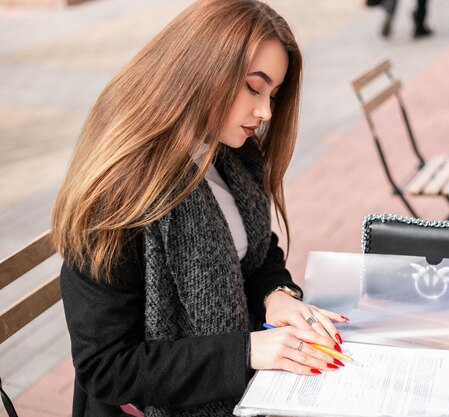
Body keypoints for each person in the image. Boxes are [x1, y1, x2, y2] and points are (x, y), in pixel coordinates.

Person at [51, 1, 348, 416]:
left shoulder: (228, 154)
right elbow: (106, 368)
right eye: (253, 87)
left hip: (245, 393)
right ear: (202, 69)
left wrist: (276, 296)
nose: (264, 113)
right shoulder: (119, 194)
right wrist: (245, 351)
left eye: (273, 94)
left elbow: (258, 253)